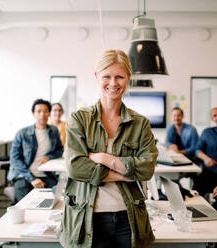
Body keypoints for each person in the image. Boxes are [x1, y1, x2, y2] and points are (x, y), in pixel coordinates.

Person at [61, 50, 158, 248]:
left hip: (129, 217)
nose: (113, 83)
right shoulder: (79, 119)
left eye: (120, 77)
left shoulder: (140, 123)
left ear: (128, 78)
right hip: (88, 217)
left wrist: (104, 158)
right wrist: (124, 174)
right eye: (107, 76)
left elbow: (147, 169)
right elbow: (76, 167)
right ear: (97, 77)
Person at [8, 99, 64, 202]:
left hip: (45, 174)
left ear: (49, 113)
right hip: (24, 175)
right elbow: (15, 159)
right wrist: (32, 178)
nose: (42, 114)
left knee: (57, 200)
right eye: (39, 111)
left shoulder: (53, 131)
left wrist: (49, 157)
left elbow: (60, 150)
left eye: (45, 111)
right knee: (26, 204)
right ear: (33, 114)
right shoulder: (22, 133)